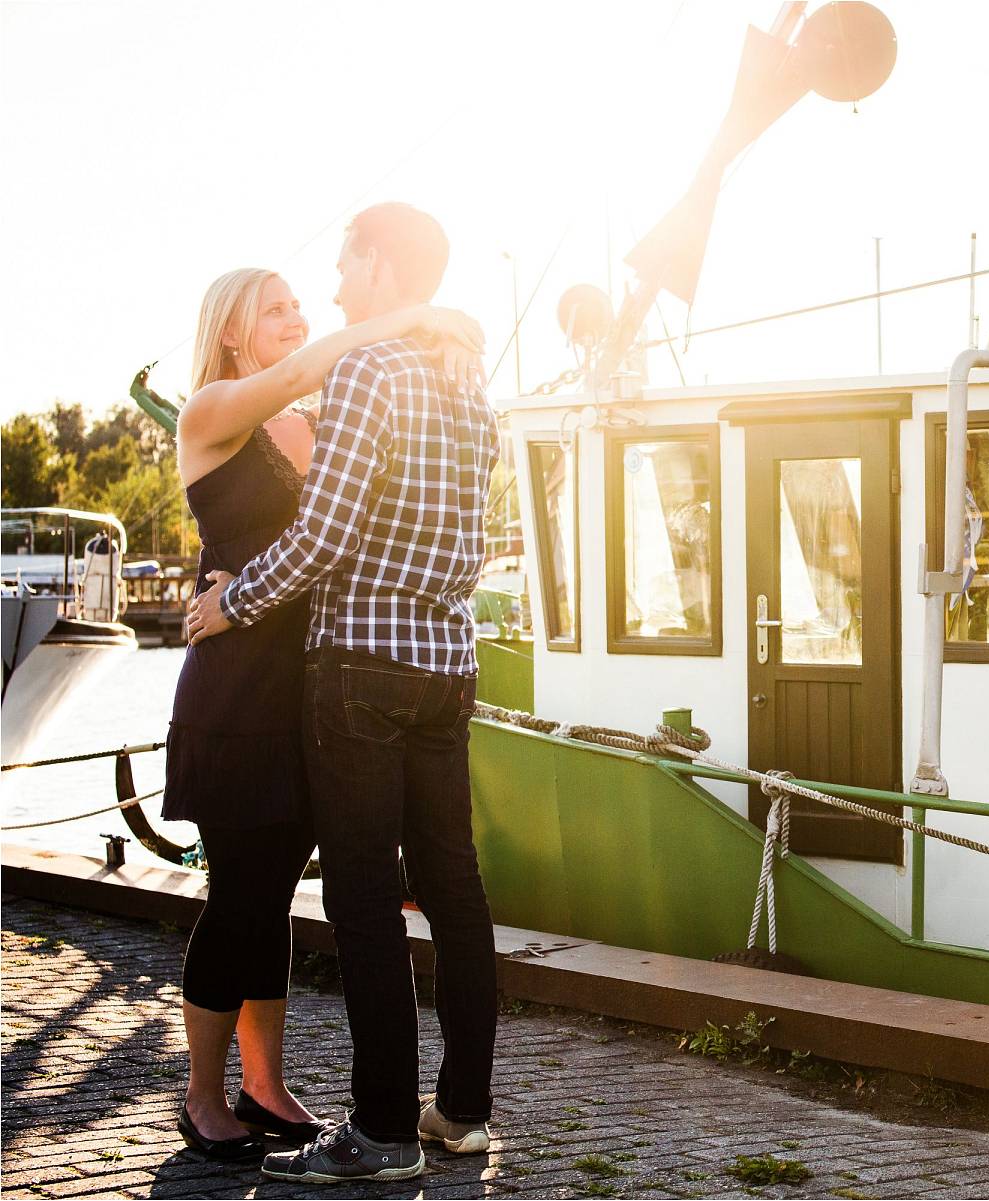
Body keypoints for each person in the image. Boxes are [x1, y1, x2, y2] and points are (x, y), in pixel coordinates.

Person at [188, 202, 501, 1185]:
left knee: (364, 898)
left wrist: (236, 597)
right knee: (454, 887)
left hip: (360, 665)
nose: (330, 287)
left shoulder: (369, 370)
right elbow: (470, 538)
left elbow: (324, 536)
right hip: (448, 661)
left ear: (376, 263)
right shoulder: (466, 383)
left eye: (339, 266)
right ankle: (462, 1111)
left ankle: (382, 1131)